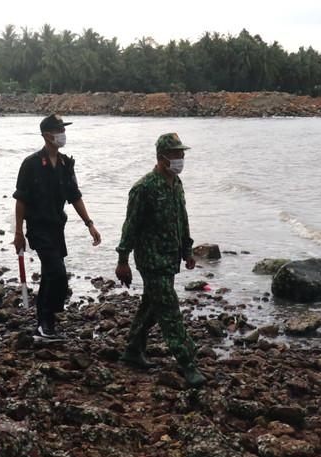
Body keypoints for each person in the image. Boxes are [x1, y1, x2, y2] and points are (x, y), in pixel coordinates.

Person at [115, 132, 207, 387]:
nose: (181, 158)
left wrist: (187, 251)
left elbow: (182, 219)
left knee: (152, 304)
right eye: (176, 154)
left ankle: (133, 350)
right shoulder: (144, 188)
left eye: (182, 153)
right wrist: (123, 260)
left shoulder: (176, 183)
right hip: (151, 260)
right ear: (161, 158)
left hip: (170, 259)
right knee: (168, 309)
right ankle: (188, 363)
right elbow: (130, 227)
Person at [13, 114, 101, 339]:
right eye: (58, 129)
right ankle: (46, 322)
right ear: (46, 135)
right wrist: (18, 233)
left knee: (50, 275)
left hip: (56, 228)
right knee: (57, 274)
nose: (62, 134)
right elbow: (21, 200)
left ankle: (44, 323)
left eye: (63, 129)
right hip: (38, 228)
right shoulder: (31, 164)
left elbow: (75, 196)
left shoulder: (65, 164)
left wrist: (89, 224)